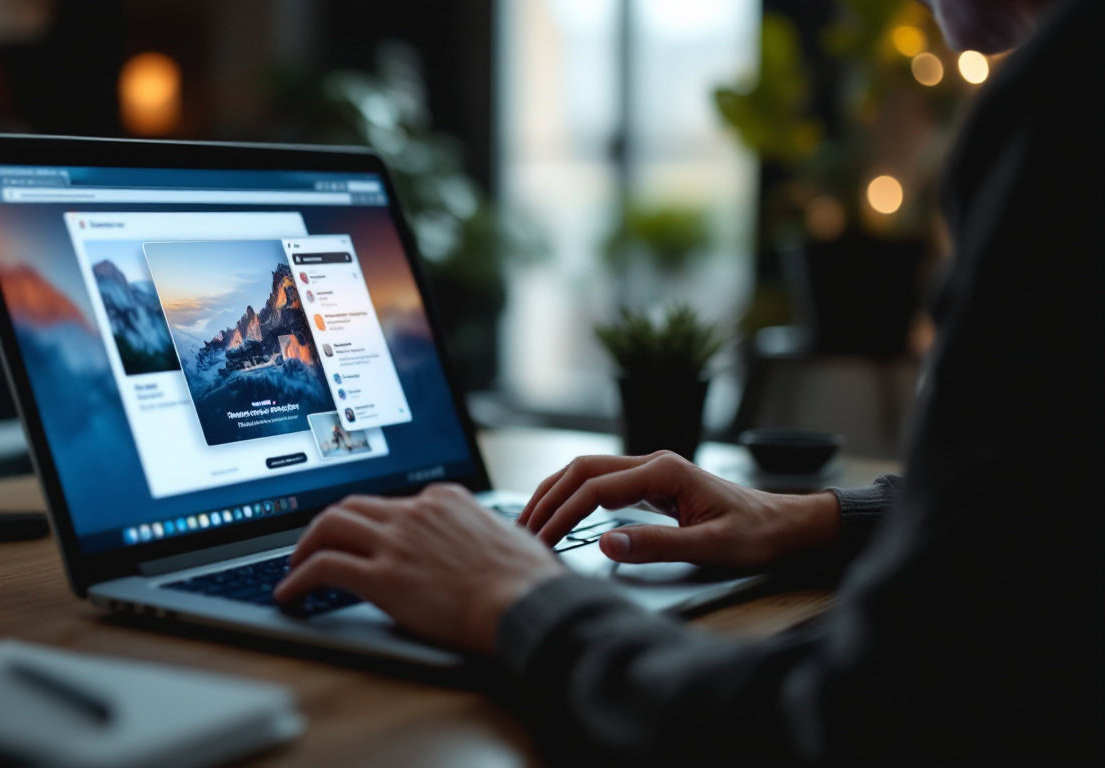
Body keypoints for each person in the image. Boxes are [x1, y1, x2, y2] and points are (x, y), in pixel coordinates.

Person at [275, 0, 1104, 763]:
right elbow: (1057, 516)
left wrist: (517, 597)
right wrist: (813, 520)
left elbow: (849, 729)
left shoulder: (1068, 101)